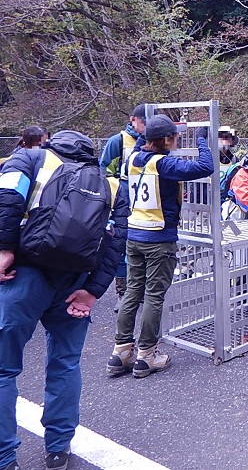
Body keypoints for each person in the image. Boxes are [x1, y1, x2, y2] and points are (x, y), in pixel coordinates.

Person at [0, 131, 128, 470]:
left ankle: (5, 457)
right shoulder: (111, 183)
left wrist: (4, 250)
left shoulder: (30, 159)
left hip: (23, 275)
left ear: (51, 144)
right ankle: (58, 448)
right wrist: (93, 291)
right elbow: (116, 240)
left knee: (4, 369)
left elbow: (7, 200)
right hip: (75, 283)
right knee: (65, 363)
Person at [107, 114, 213, 378]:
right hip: (159, 239)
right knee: (154, 297)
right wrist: (201, 140)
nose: (177, 141)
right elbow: (205, 167)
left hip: (135, 235)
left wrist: (152, 128)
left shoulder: (133, 157)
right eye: (175, 137)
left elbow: (144, 139)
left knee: (133, 292)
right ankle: (147, 355)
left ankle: (121, 351)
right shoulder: (164, 164)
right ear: (166, 140)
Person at [100, 104, 146, 312]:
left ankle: (139, 290)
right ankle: (123, 293)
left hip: (145, 205)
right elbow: (104, 171)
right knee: (120, 247)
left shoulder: (155, 141)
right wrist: (119, 190)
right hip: (122, 203)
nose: (144, 126)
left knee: (141, 247)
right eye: (142, 121)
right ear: (132, 119)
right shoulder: (117, 141)